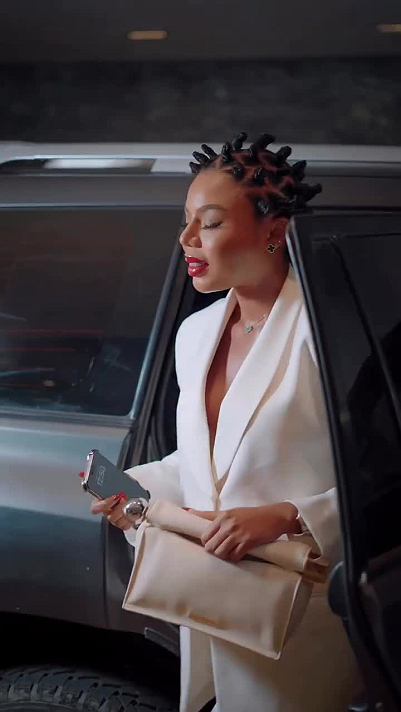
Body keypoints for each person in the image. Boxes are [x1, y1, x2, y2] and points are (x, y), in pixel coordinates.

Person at [91, 132, 361, 712]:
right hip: (212, 599)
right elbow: (204, 462)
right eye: (186, 221)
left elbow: (384, 479)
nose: (187, 238)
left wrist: (287, 516)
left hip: (300, 611)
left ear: (274, 231)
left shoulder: (328, 334)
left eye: (209, 223)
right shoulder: (196, 333)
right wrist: (133, 490)